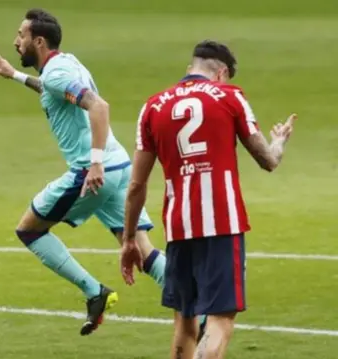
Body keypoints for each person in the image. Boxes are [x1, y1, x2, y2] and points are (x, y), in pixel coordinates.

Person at [0, 8, 169, 336]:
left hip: (93, 173)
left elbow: (99, 106)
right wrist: (14, 75)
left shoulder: (57, 73)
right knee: (143, 250)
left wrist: (95, 162)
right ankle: (195, 306)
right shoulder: (65, 64)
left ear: (38, 41)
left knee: (29, 230)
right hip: (120, 166)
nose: (16, 41)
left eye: (21, 35)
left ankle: (94, 292)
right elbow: (50, 89)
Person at [120, 40, 296, 358]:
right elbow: (267, 160)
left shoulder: (153, 106)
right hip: (222, 222)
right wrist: (278, 141)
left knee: (185, 324)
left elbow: (136, 185)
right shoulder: (230, 97)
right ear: (222, 73)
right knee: (219, 321)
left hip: (178, 226)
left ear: (191, 68)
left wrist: (130, 238)